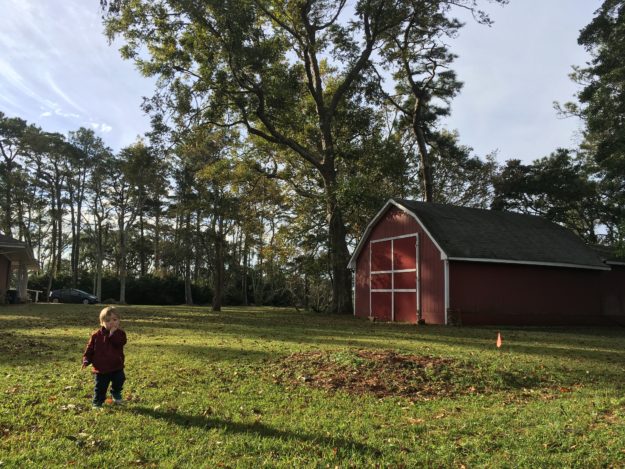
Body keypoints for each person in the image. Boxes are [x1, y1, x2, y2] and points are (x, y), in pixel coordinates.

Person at [82, 306, 127, 408]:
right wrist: (86, 359)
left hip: (116, 366)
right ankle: (97, 402)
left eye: (115, 320)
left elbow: (120, 343)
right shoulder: (96, 336)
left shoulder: (120, 334)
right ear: (102, 322)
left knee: (120, 379)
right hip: (101, 368)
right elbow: (90, 349)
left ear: (119, 321)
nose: (112, 322)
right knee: (100, 387)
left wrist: (112, 334)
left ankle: (115, 392)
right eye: (108, 320)